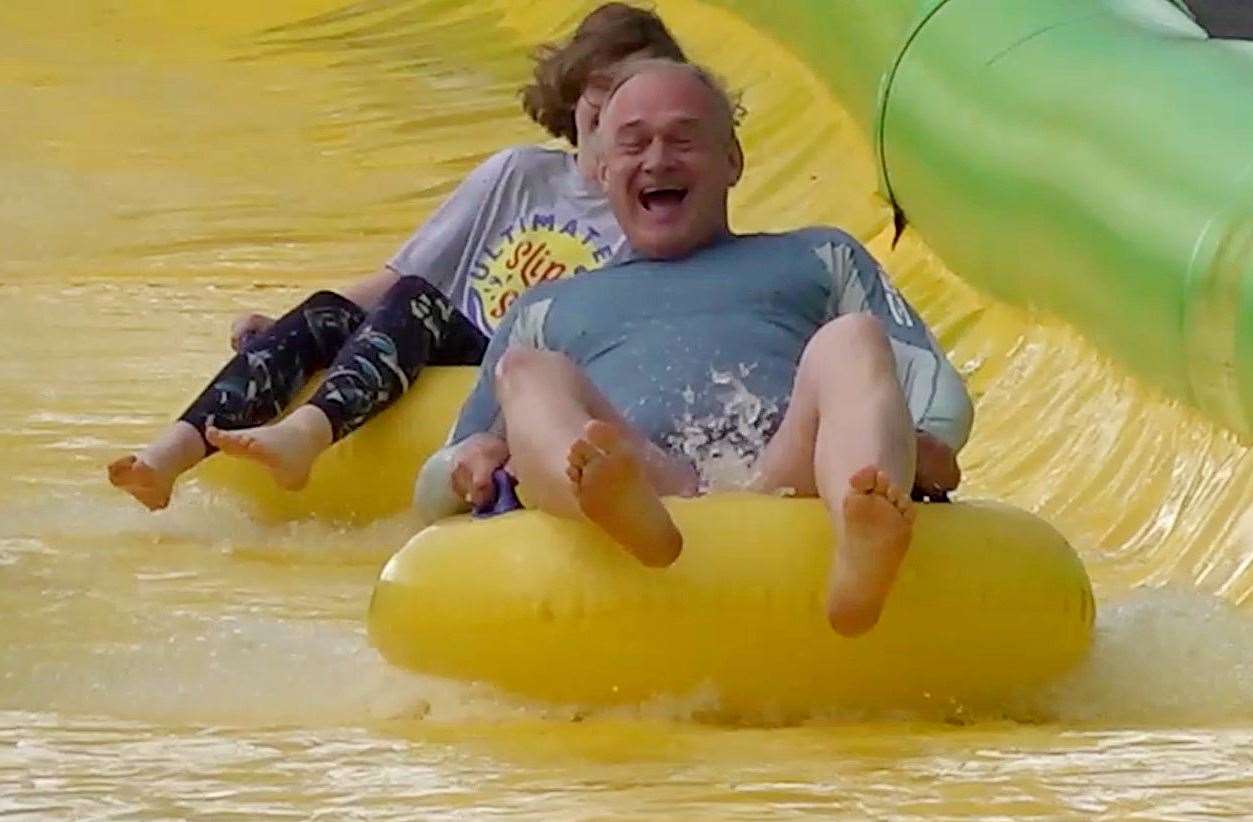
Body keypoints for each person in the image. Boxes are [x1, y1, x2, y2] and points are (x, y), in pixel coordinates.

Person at [418, 59, 974, 637]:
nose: (658, 160)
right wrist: (469, 462)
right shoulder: (547, 307)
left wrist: (923, 444)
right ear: (602, 171)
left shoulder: (818, 256)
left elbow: (937, 391)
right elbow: (433, 482)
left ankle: (863, 532)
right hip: (644, 476)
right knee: (526, 372)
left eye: (683, 140)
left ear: (732, 161)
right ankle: (615, 507)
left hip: (787, 475)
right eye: (634, 145)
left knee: (852, 339)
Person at [107, 4, 688, 510]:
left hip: (505, 372)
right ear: (575, 95)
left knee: (418, 305)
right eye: (603, 87)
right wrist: (290, 325)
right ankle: (169, 456)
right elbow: (400, 275)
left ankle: (309, 435)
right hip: (428, 336)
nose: (617, 105)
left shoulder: (647, 210)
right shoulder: (518, 174)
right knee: (330, 310)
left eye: (636, 93)